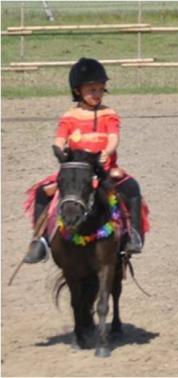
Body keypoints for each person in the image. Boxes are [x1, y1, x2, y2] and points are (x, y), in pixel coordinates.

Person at [23, 57, 146, 263]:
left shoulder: (109, 114)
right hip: (76, 172)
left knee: (132, 188)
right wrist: (59, 149)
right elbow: (60, 138)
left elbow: (114, 137)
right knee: (41, 192)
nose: (97, 94)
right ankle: (40, 240)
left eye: (100, 89)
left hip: (104, 170)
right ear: (78, 91)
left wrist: (108, 151)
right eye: (92, 90)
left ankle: (134, 234)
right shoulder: (69, 116)